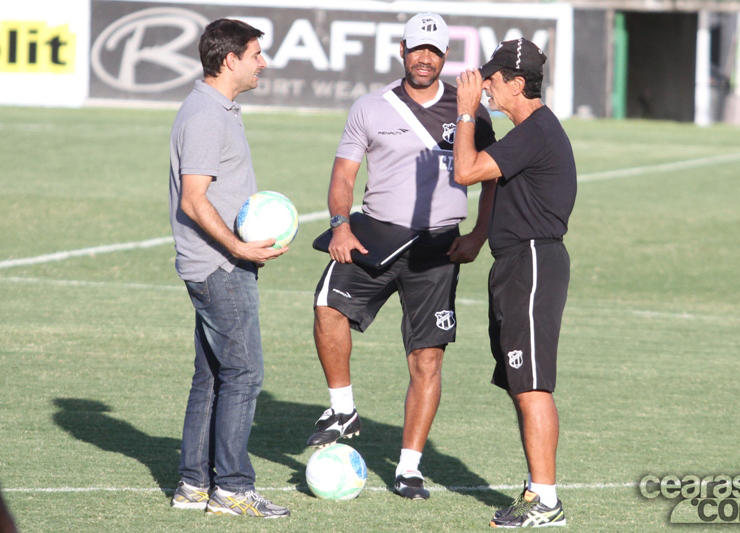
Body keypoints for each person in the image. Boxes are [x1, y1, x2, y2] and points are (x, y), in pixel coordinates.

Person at [308, 12, 496, 499]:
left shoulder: (469, 107)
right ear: (402, 50)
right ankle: (342, 406)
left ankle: (408, 468)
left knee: (427, 359)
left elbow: (493, 175)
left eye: (434, 51)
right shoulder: (370, 107)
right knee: (327, 307)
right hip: (376, 234)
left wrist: (479, 234)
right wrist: (340, 225)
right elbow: (344, 176)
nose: (425, 59)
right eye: (417, 49)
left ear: (446, 56)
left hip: (438, 245)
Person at [167, 18, 290, 519]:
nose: (264, 62)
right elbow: (195, 200)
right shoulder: (205, 115)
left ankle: (194, 484)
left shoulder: (219, 108)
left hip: (216, 262)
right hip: (219, 266)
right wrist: (239, 249)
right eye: (257, 54)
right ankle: (233, 488)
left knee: (213, 376)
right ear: (229, 59)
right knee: (244, 373)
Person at [453, 38, 576, 527]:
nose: (484, 87)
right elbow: (496, 185)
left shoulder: (535, 130)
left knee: (532, 387)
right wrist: (480, 236)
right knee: (520, 382)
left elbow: (466, 171)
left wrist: (465, 113)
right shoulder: (527, 132)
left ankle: (546, 500)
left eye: (493, 80)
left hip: (532, 263)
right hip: (516, 262)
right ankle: (536, 488)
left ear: (517, 83)